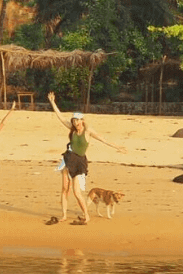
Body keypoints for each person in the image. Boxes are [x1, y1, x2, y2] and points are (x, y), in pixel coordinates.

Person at [47, 91, 125, 225]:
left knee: (77, 192)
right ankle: (64, 215)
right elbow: (60, 117)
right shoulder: (72, 129)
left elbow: (103, 139)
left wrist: (117, 147)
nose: (75, 122)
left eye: (77, 120)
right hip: (68, 158)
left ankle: (86, 215)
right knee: (64, 188)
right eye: (74, 120)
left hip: (79, 162)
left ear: (82, 120)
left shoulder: (88, 131)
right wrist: (53, 102)